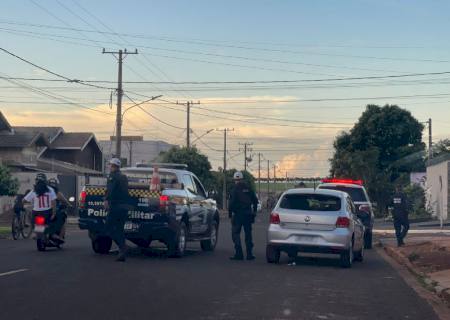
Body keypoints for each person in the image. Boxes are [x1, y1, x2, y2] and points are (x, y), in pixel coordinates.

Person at [104, 158, 130, 262]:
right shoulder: (123, 177)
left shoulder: (113, 176)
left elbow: (111, 190)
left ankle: (123, 246)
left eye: (110, 165)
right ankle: (122, 251)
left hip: (116, 206)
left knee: (108, 228)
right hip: (124, 207)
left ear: (113, 166)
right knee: (119, 229)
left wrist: (106, 200)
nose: (109, 166)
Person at [228, 171, 259, 261]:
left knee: (235, 234)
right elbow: (255, 201)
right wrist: (254, 212)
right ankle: (249, 254)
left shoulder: (234, 190)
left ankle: (239, 254)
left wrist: (230, 214)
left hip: (238, 215)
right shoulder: (248, 188)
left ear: (235, 180)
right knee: (248, 234)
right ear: (242, 179)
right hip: (248, 214)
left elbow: (231, 203)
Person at [23, 174, 59, 240]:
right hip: (47, 212)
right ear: (45, 181)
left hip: (36, 213)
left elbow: (24, 200)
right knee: (56, 220)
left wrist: (28, 202)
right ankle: (53, 234)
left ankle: (35, 232)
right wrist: (54, 213)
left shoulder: (34, 190)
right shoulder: (50, 190)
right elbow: (54, 202)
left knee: (33, 220)